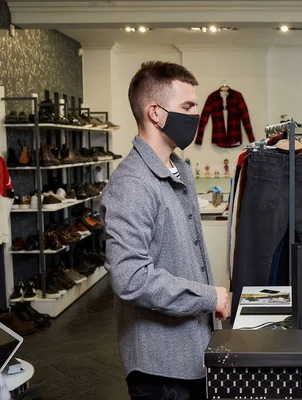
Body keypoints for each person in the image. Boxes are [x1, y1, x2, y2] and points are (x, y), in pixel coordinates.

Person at [101, 61, 230, 400]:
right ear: (155, 113)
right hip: (160, 369)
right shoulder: (131, 183)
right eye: (187, 107)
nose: (195, 117)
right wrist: (209, 296)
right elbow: (130, 277)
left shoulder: (180, 171)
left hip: (195, 351)